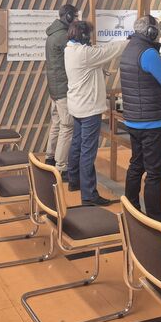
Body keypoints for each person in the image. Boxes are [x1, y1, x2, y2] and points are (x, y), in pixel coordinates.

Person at [121, 15, 161, 224]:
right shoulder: (148, 53)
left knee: (136, 165)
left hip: (133, 120)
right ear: (151, 32)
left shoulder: (130, 49)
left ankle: (132, 211)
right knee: (155, 172)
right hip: (150, 122)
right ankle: (155, 223)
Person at [64, 19, 126, 206]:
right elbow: (109, 51)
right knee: (88, 151)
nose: (90, 38)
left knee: (77, 145)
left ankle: (74, 181)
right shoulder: (84, 54)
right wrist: (130, 41)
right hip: (89, 108)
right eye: (88, 35)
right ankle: (89, 194)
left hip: (77, 105)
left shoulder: (70, 50)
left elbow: (98, 51)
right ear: (83, 36)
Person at [44, 4, 78, 170]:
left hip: (55, 87)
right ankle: (61, 166)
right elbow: (76, 57)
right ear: (69, 16)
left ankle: (50, 157)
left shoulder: (53, 34)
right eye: (75, 16)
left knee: (57, 123)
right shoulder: (63, 36)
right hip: (63, 88)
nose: (76, 19)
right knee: (67, 126)